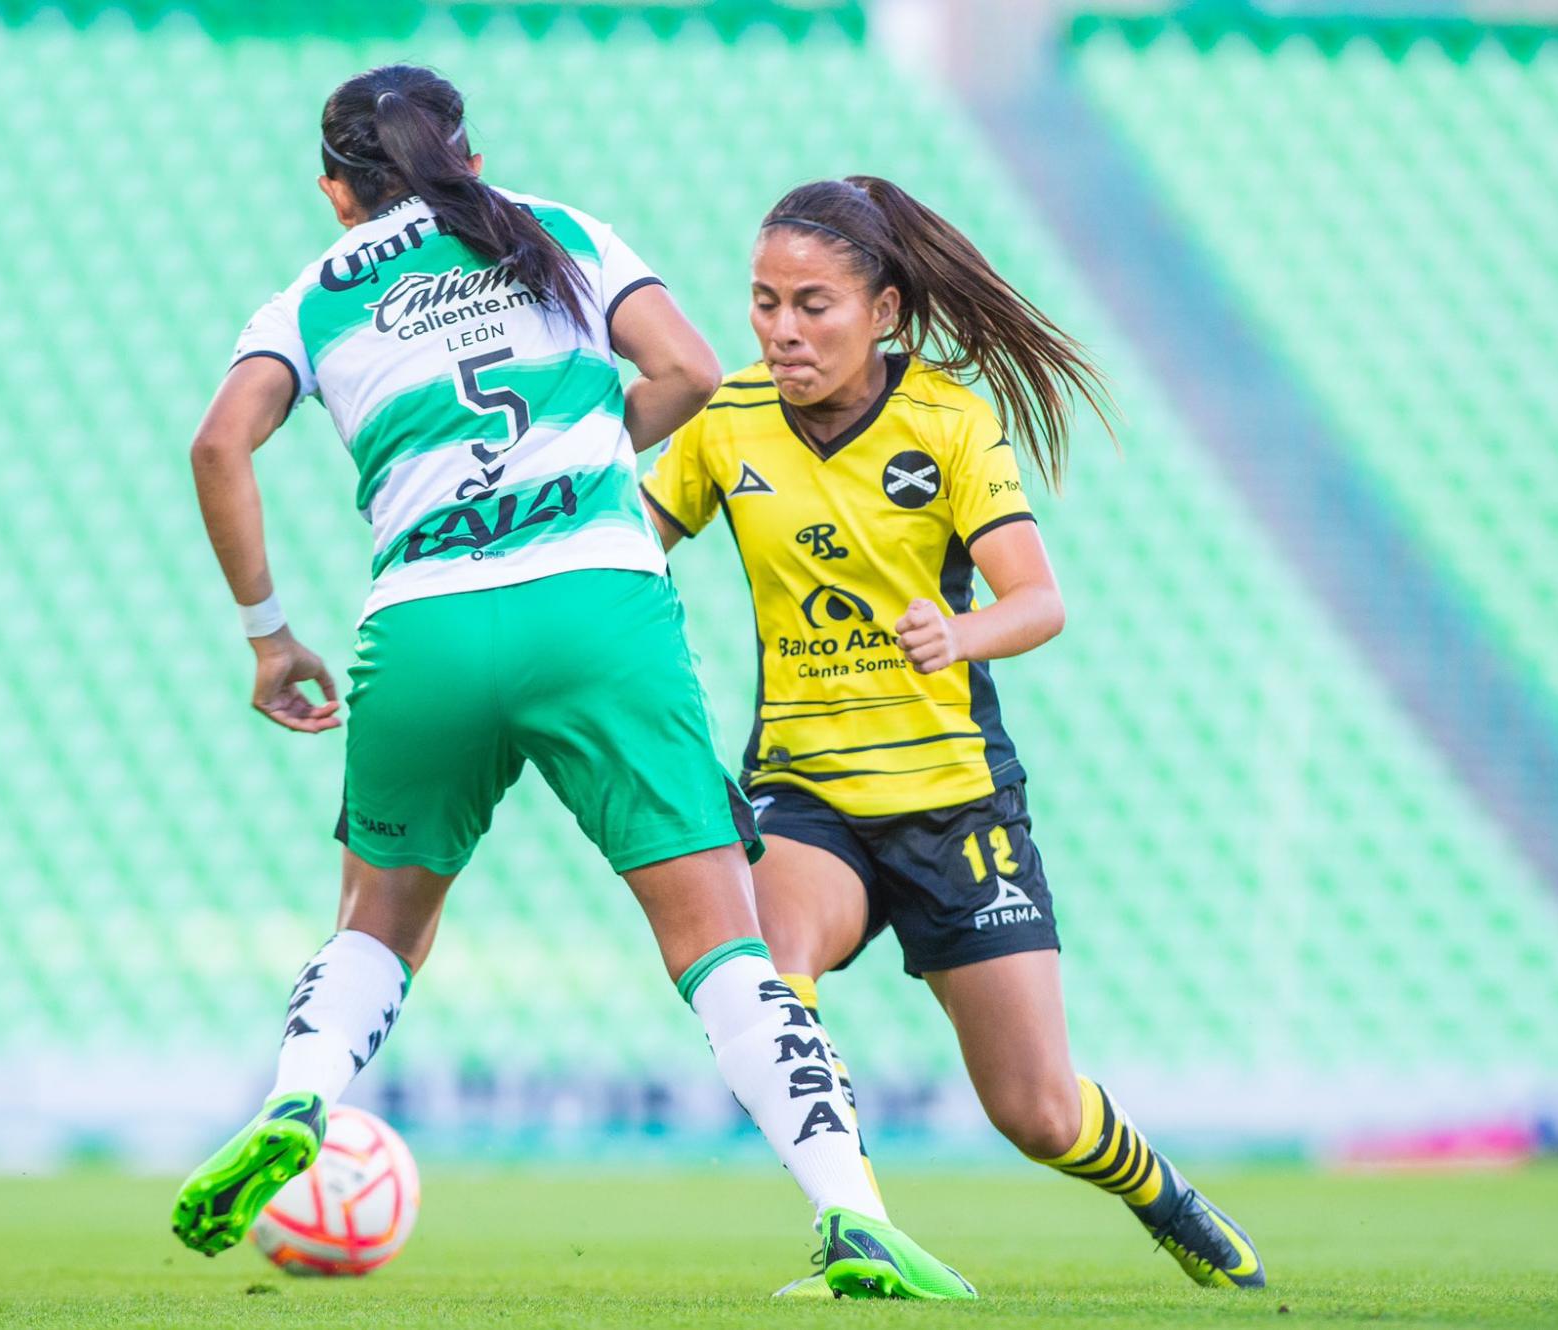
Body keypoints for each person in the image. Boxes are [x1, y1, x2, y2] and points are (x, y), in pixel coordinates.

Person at [169, 69, 972, 1301]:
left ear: (335, 192)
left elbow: (219, 443)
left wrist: (269, 637)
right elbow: (696, 374)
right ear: (469, 152)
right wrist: (588, 450)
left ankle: (296, 1097)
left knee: (379, 918)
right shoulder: (554, 230)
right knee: (718, 936)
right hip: (594, 600)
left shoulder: (306, 301)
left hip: (422, 619)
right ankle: (850, 1214)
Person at [641, 175, 1266, 1293]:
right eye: (762, 301)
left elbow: (1039, 600)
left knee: (1036, 1112)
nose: (781, 330)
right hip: (803, 790)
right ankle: (856, 1225)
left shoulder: (946, 418)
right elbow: (626, 552)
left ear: (882, 310)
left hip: (953, 800)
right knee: (769, 973)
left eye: (811, 304)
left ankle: (1160, 1195)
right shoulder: (725, 421)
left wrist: (960, 631)